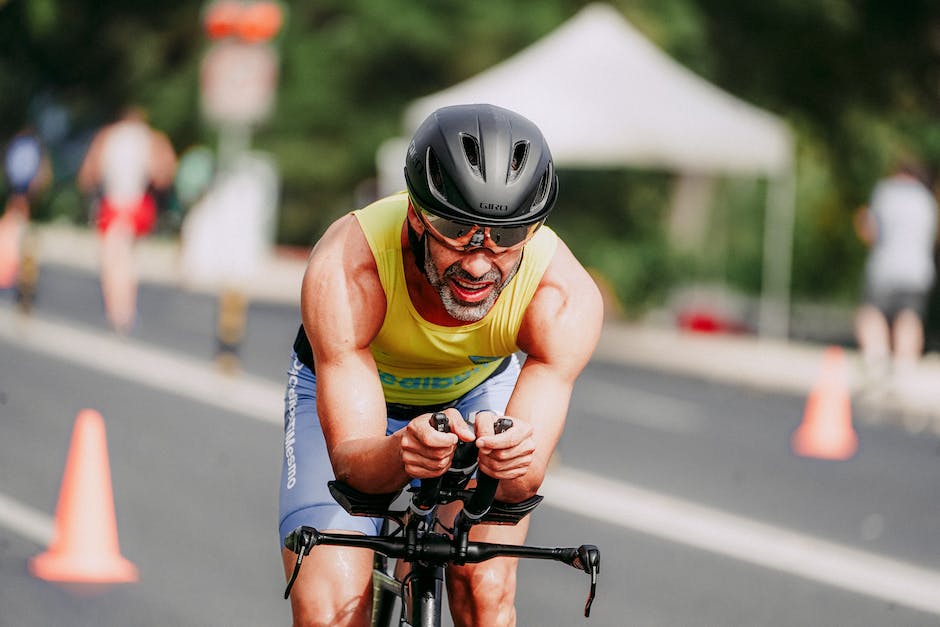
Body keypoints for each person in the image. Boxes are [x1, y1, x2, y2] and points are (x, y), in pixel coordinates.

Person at [278, 103, 603, 626]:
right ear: (415, 214)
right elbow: (355, 470)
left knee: (486, 591)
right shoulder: (348, 268)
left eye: (507, 235)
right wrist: (404, 451)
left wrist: (508, 463)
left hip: (475, 394)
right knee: (327, 611)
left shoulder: (562, 298)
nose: (479, 261)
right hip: (356, 408)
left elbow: (519, 488)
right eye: (456, 228)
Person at [77, 106, 177, 334]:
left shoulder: (107, 136)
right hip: (139, 206)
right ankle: (124, 310)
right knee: (128, 259)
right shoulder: (152, 138)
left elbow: (88, 174)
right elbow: (164, 172)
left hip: (115, 205)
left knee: (113, 261)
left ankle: (119, 311)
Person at [854, 158, 938, 393]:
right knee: (909, 316)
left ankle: (876, 361)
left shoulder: (886, 192)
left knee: (871, 313)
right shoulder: (926, 199)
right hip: (917, 271)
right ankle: (905, 367)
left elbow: (872, 232)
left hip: (885, 267)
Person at [0, 128, 51, 290]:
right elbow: (43, 171)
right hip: (26, 190)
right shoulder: (35, 146)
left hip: (15, 187)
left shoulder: (17, 144)